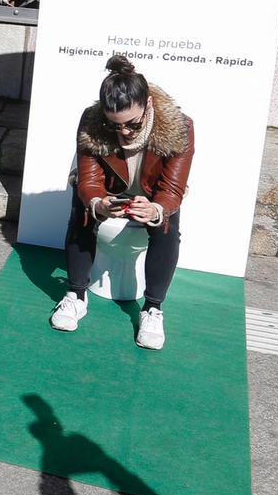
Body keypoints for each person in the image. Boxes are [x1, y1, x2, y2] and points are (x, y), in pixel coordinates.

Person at [51, 55, 194, 351]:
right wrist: (99, 203)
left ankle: (153, 308)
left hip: (153, 195)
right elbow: (89, 179)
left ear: (149, 106)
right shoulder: (91, 122)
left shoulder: (180, 127)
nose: (124, 132)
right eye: (113, 124)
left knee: (168, 226)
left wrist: (156, 209)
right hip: (112, 192)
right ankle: (76, 294)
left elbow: (172, 187)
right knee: (82, 210)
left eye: (132, 123)